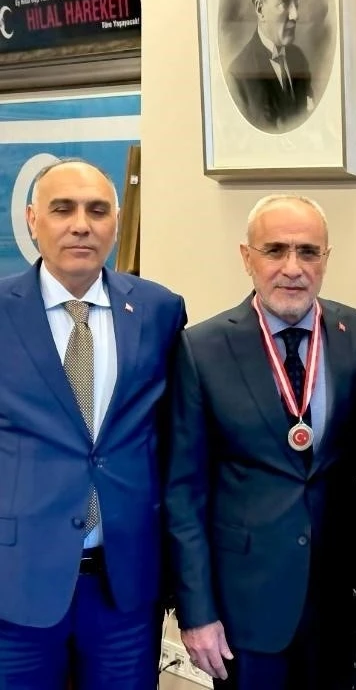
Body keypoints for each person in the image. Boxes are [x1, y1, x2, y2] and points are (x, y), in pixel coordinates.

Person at [166, 194, 356, 690]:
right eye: (275, 250)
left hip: (338, 600)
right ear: (247, 257)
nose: (293, 268)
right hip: (246, 605)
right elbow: (184, 492)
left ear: (326, 258)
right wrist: (196, 612)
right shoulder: (202, 348)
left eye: (308, 252)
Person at [0, 159, 186, 690]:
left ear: (117, 222)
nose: (81, 225)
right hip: (17, 585)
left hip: (123, 588)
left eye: (97, 210)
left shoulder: (159, 310)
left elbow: (174, 439)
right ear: (33, 219)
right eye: (63, 209)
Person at [228, 0, 314, 133]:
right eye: (284, 2)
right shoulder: (237, 76)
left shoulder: (299, 59)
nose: (295, 15)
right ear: (260, 10)